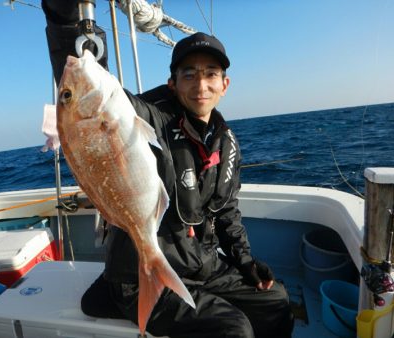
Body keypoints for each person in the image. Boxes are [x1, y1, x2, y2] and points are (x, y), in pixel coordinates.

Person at [42, 1, 294, 337]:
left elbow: (227, 210)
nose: (200, 84)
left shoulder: (226, 140)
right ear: (172, 83)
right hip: (136, 272)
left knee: (276, 301)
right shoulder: (147, 116)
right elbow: (83, 64)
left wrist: (244, 259)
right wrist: (65, 18)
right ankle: (126, 293)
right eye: (188, 74)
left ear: (224, 84)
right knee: (234, 329)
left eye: (210, 74)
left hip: (201, 263)